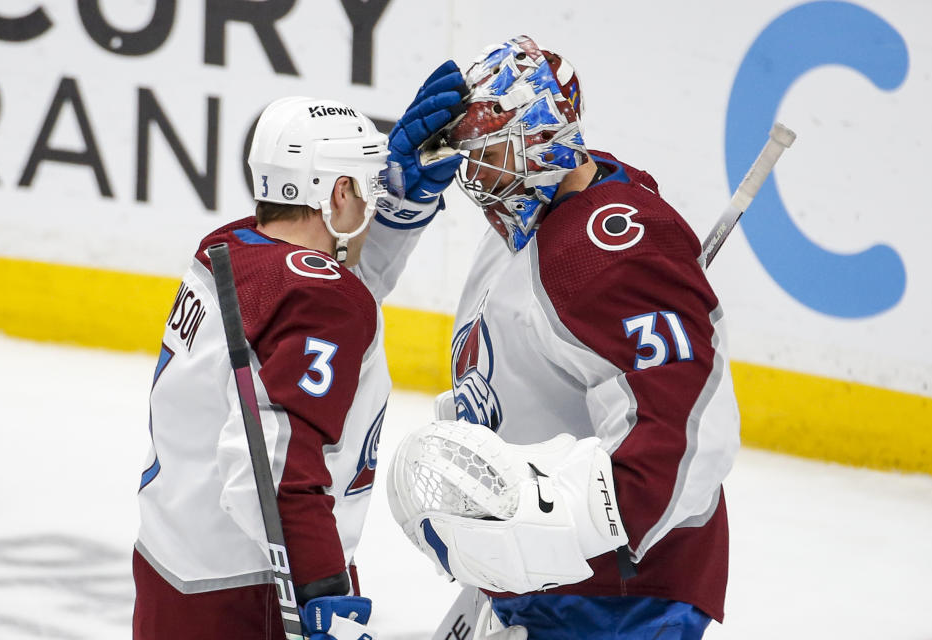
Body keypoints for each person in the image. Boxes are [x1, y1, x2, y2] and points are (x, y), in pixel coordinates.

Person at [386, 35, 741, 639]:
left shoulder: (610, 248)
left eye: (489, 152)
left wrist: (547, 529)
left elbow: (689, 435)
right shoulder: (520, 226)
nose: (472, 172)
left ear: (538, 139)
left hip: (618, 601)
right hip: (532, 584)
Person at [132, 95, 416, 640]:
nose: (375, 199)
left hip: (172, 566)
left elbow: (327, 284)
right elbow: (276, 473)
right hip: (255, 591)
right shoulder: (318, 297)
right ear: (337, 190)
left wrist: (410, 214)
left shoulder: (230, 247)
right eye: (366, 183)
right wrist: (324, 592)